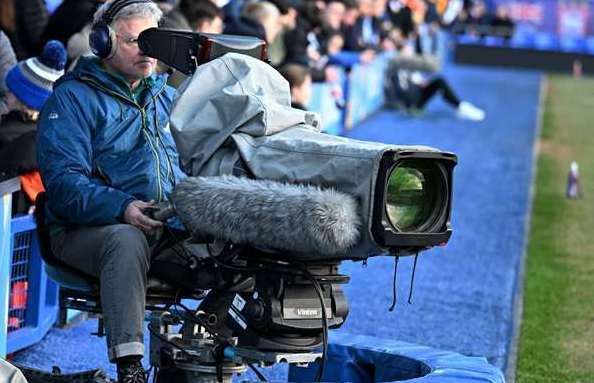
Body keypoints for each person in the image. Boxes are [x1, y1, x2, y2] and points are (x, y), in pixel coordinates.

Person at [37, 1, 186, 382]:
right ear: (102, 42)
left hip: (163, 223)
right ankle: (130, 365)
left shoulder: (167, 97)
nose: (148, 51)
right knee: (126, 238)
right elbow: (65, 186)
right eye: (136, 40)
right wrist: (123, 207)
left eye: (154, 40)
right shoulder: (71, 99)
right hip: (83, 230)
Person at [0, 40, 67, 212]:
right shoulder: (58, 136)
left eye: (11, 89)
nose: (6, 91)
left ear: (25, 100)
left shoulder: (7, 134)